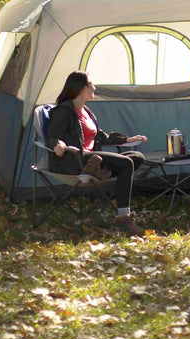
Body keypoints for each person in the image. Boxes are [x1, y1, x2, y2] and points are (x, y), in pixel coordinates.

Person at [46, 71, 148, 236]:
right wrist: (57, 144)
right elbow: (52, 136)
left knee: (137, 157)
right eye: (91, 84)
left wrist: (127, 140)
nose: (94, 87)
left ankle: (98, 171)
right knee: (126, 164)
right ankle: (123, 217)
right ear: (81, 89)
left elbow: (100, 137)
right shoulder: (64, 111)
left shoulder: (86, 111)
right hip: (76, 159)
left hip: (93, 158)